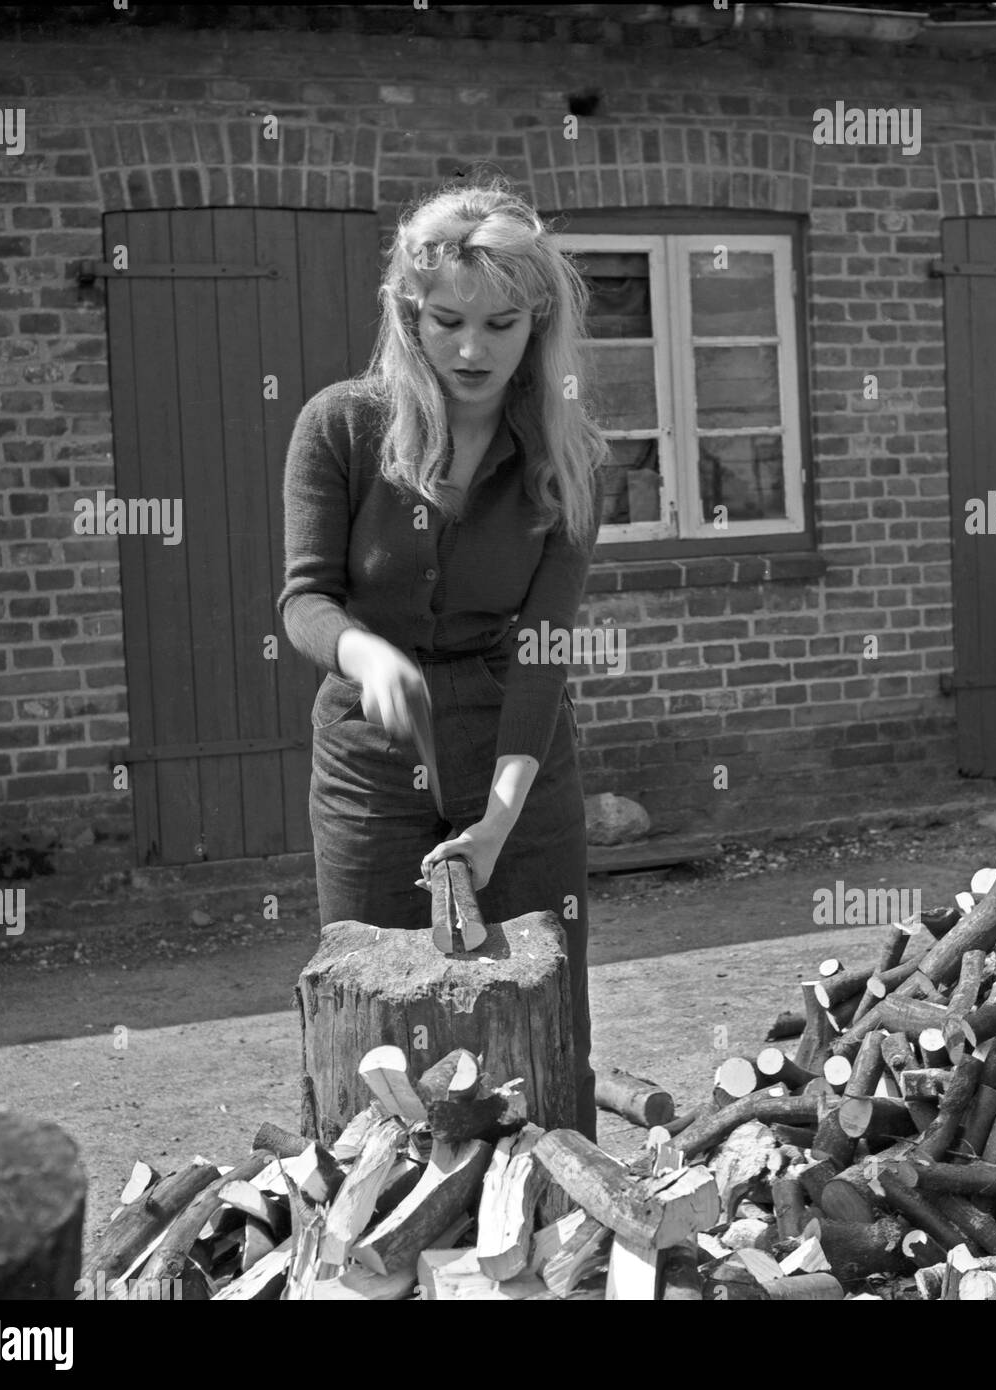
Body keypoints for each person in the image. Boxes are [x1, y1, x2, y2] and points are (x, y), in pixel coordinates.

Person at [277, 180, 607, 1139]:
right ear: (407, 313)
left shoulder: (570, 452)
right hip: (367, 754)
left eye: (502, 324)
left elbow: (543, 652)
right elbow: (304, 598)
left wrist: (501, 818)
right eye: (447, 321)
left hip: (518, 744)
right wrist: (361, 650)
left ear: (537, 320)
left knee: (542, 1017)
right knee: (371, 1012)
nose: (473, 350)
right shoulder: (339, 426)